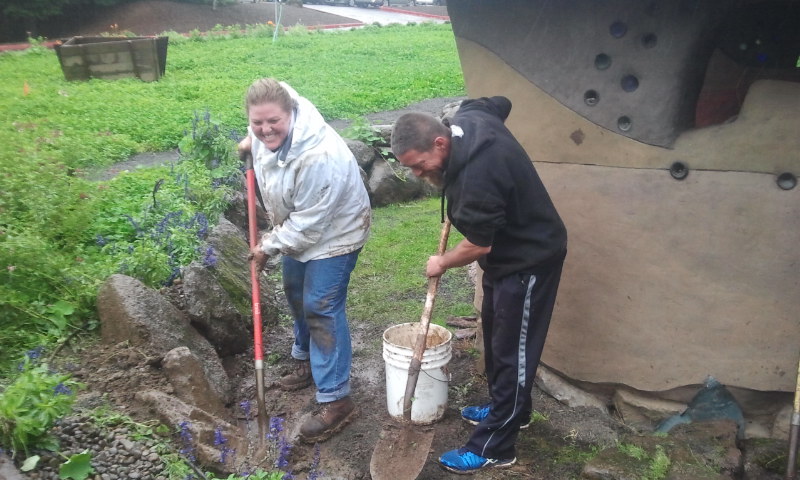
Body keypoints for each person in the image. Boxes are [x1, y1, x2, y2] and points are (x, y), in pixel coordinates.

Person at [390, 96, 567, 474]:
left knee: (513, 351)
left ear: (440, 143)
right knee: (498, 335)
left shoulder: (476, 182)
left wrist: (441, 261)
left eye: (420, 167)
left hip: (530, 260)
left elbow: (478, 244)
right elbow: (498, 103)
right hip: (507, 259)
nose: (418, 175)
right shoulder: (470, 116)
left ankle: (494, 446)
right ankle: (511, 412)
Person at [238, 78, 371, 443]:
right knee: (294, 291)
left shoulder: (318, 156)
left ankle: (336, 398)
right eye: (257, 123)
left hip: (337, 232)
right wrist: (250, 142)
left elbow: (310, 225)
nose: (265, 129)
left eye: (273, 122)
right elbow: (260, 127)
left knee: (321, 305)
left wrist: (268, 245)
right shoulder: (268, 126)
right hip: (296, 226)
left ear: (292, 114)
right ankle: (307, 359)